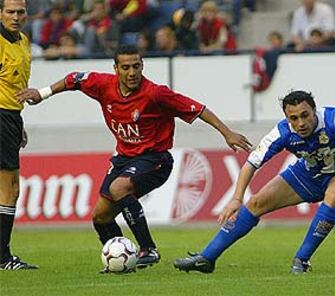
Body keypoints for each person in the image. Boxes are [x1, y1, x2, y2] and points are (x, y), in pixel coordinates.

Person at [16, 44, 253, 273]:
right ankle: (122, 261)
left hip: (156, 159)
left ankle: (148, 248)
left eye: (136, 66)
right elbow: (74, 79)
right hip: (123, 159)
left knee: (119, 188)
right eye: (126, 67)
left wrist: (227, 132)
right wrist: (43, 93)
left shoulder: (156, 93)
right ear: (115, 68)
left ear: (142, 66)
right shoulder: (102, 84)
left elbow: (198, 109)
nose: (132, 73)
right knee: (100, 217)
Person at [173, 90, 335, 274]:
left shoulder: (333, 119)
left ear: (314, 110)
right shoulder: (283, 132)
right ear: (287, 117)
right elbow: (251, 163)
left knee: (334, 195)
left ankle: (301, 260)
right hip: (309, 173)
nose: (301, 123)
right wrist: (237, 198)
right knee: (256, 203)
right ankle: (206, 258)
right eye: (294, 118)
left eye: (305, 115)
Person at [0, 0, 38, 270]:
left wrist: (18, 121)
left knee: (9, 189)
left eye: (20, 12)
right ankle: (3, 257)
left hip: (10, 116)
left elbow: (12, 86)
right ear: (0, 13)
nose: (16, 17)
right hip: (1, 116)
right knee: (10, 189)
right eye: (10, 12)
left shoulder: (23, 40)